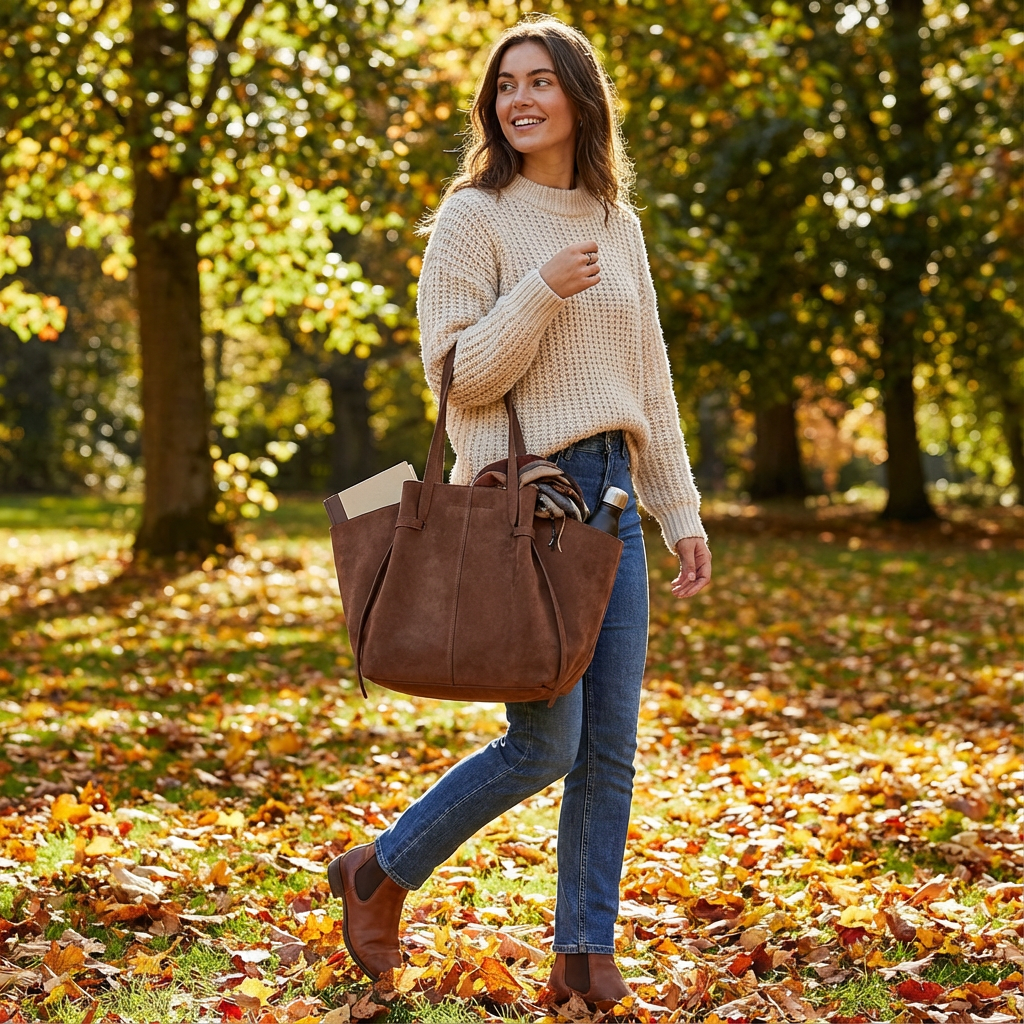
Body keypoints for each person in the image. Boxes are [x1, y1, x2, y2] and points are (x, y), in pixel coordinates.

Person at [328, 15, 712, 1011]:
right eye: (506, 86)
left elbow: (651, 381)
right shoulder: (475, 217)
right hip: (527, 500)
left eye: (541, 81)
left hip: (615, 501)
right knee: (544, 741)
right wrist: (537, 291)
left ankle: (584, 958)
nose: (521, 99)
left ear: (581, 98)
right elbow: (458, 378)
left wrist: (682, 512)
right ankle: (381, 869)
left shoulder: (615, 222)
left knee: (609, 744)